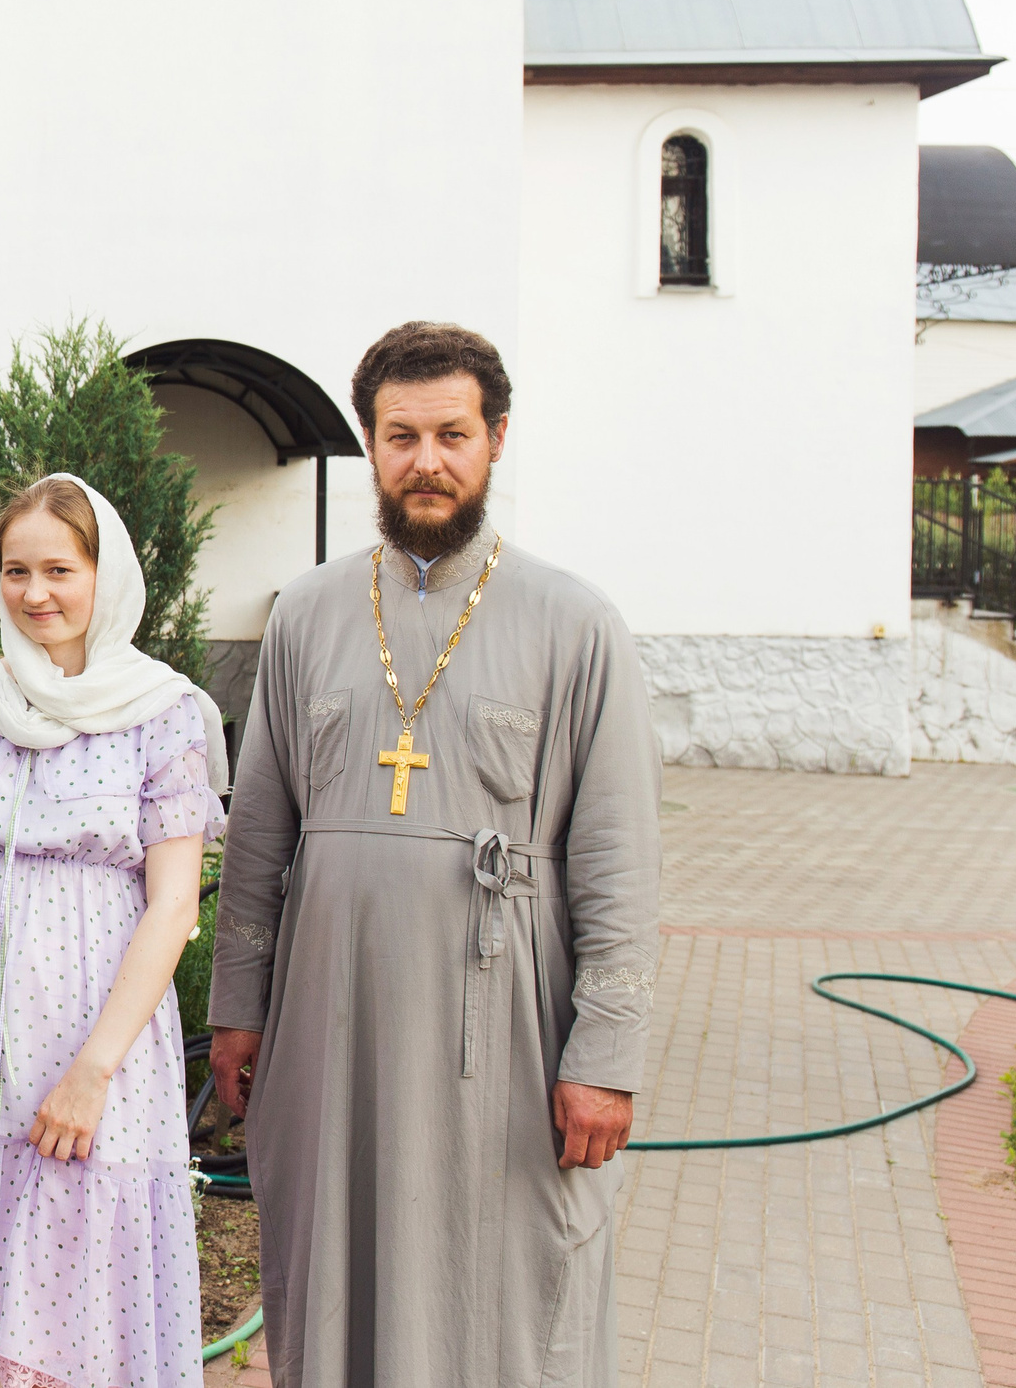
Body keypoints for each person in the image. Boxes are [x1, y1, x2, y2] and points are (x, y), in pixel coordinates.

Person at [206, 321, 661, 1387]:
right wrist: (238, 1004)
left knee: (497, 1278)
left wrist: (603, 1056)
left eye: (451, 434)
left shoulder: (573, 622)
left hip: (498, 1024)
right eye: (400, 435)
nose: (426, 460)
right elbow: (261, 826)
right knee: (332, 1264)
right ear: (371, 444)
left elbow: (619, 862)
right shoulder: (310, 613)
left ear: (496, 439)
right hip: (331, 1016)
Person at [0, 474, 228, 1388]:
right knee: (7, 1293)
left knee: (88, 1297)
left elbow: (173, 904)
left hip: (96, 1023)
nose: (34, 592)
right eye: (15, 569)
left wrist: (93, 1070)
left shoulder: (162, 710)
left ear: (104, 574)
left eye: (58, 568)